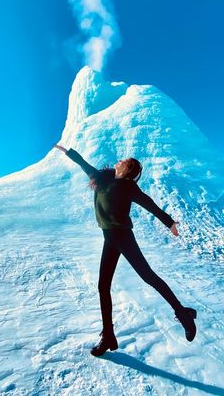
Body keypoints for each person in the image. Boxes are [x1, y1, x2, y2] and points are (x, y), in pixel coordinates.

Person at [53, 144, 198, 356]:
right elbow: (83, 164)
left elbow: (149, 204)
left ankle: (183, 314)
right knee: (103, 286)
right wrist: (67, 151)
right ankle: (108, 336)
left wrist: (169, 223)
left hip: (122, 237)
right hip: (109, 238)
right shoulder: (102, 179)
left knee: (148, 277)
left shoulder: (128, 186)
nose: (118, 161)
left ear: (128, 169)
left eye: (123, 161)